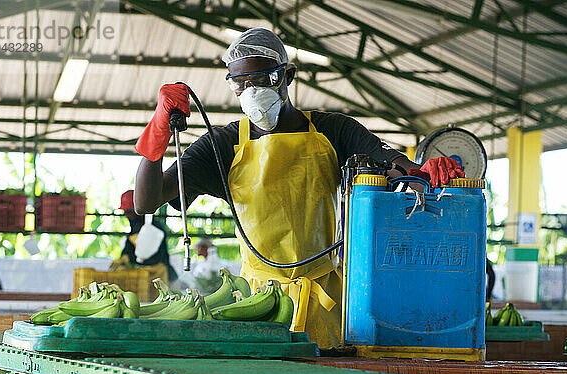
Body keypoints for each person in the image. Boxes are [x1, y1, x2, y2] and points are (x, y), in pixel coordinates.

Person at [133, 28, 464, 347]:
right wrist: (157, 135)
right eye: (240, 84)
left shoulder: (335, 131)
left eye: (263, 79)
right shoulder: (221, 145)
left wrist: (421, 171)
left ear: (287, 76)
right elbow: (147, 202)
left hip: (326, 298)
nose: (252, 91)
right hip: (258, 304)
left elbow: (388, 162)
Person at [110, 190, 178, 283]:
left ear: (139, 210)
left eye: (129, 211)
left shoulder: (154, 228)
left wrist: (130, 259)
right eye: (125, 212)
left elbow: (149, 255)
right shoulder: (135, 228)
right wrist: (124, 258)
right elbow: (129, 248)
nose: (127, 215)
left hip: (162, 275)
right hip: (144, 277)